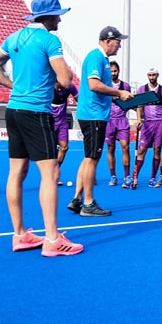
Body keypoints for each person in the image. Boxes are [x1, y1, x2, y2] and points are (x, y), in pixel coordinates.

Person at [0, 0, 83, 256]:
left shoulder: (15, 37)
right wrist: (64, 76)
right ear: (48, 17)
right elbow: (64, 78)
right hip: (36, 113)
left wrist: (14, 86)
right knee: (50, 173)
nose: (60, 19)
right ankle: (52, 239)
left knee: (16, 173)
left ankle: (20, 234)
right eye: (58, 15)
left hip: (13, 110)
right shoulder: (50, 40)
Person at [68, 26, 133, 217]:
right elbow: (94, 85)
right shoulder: (97, 57)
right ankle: (88, 203)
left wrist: (117, 97)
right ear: (107, 40)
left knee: (88, 158)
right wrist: (118, 92)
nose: (119, 46)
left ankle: (77, 198)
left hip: (93, 113)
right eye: (118, 42)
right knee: (92, 159)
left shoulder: (101, 59)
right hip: (93, 115)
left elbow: (98, 89)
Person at [132, 67, 162, 188]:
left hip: (160, 123)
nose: (152, 77)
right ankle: (134, 177)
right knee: (142, 150)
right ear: (147, 75)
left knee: (157, 150)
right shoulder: (142, 89)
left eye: (154, 75)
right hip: (147, 124)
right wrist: (138, 119)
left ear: (157, 75)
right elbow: (139, 106)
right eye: (150, 75)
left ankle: (153, 177)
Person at [104, 60, 132, 188]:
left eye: (115, 71)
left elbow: (129, 103)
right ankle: (113, 176)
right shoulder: (105, 86)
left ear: (118, 71)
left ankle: (127, 176)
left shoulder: (125, 86)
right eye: (111, 71)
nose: (113, 73)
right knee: (110, 148)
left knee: (125, 147)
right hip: (109, 121)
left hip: (122, 120)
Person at [51, 81, 78, 183]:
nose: (59, 88)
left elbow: (79, 99)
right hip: (50, 122)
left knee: (64, 147)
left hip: (62, 122)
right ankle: (50, 176)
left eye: (61, 86)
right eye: (57, 85)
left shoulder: (70, 86)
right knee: (51, 150)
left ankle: (54, 171)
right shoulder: (48, 85)